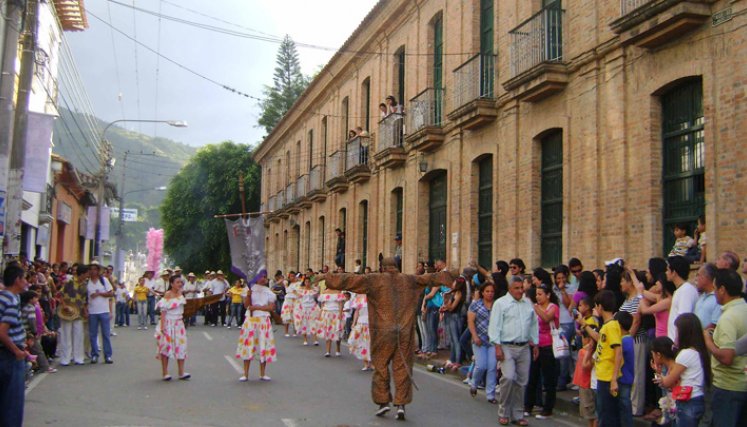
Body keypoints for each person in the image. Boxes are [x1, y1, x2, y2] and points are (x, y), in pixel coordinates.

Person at [324, 257, 456, 420]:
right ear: (397, 267)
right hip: (404, 331)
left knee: (381, 365)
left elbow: (348, 280)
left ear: (382, 267)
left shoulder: (374, 280)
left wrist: (327, 277)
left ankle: (383, 402)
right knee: (402, 366)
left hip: (382, 331)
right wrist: (452, 274)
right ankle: (401, 404)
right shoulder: (409, 280)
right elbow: (431, 278)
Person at [489, 276, 539, 426]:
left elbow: (533, 324)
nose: (520, 291)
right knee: (509, 377)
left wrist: (535, 343)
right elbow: (495, 326)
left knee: (522, 381)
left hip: (524, 347)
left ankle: (517, 414)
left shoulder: (527, 303)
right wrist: (497, 346)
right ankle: (504, 411)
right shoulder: (501, 304)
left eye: (521, 288)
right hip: (506, 345)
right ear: (510, 289)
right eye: (516, 288)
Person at [702, 269, 747, 427]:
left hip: (728, 387)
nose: (714, 293)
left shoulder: (728, 317)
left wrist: (708, 340)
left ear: (722, 290)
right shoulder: (744, 308)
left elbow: (727, 356)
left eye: (715, 288)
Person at [0, 264, 31, 427]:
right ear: (17, 280)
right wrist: (17, 351)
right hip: (10, 356)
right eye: (24, 278)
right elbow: (2, 332)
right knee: (12, 405)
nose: (26, 282)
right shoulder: (11, 300)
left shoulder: (4, 296)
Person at [525, 282, 560, 419]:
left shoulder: (553, 307)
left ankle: (548, 408)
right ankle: (528, 405)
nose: (538, 297)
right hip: (535, 345)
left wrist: (535, 307)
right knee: (532, 377)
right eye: (536, 295)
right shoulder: (535, 308)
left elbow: (546, 318)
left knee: (548, 378)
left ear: (548, 295)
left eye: (540, 294)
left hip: (548, 345)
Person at [235, 273, 277, 382]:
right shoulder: (249, 289)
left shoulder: (268, 291)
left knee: (263, 345)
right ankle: (245, 373)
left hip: (263, 320)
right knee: (249, 345)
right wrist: (248, 296)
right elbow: (247, 306)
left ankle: (262, 373)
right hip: (251, 320)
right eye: (261, 277)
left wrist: (258, 307)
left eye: (264, 277)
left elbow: (271, 307)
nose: (263, 279)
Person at [594, 290, 623, 427]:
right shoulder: (607, 326)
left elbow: (618, 350)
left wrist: (613, 378)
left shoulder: (611, 326)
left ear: (600, 307)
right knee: (603, 412)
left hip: (608, 377)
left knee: (607, 415)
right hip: (602, 375)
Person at [155, 275, 190, 381]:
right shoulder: (168, 294)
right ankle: (165, 373)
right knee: (166, 347)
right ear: (171, 284)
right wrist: (162, 327)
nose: (180, 284)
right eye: (177, 282)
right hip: (168, 323)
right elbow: (163, 311)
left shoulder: (181, 294)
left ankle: (181, 372)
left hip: (179, 323)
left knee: (181, 346)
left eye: (181, 282)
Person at [467, 282, 497, 403]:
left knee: (492, 367)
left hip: (493, 341)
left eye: (492, 291)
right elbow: (471, 321)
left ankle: (490, 395)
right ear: (482, 292)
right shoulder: (475, 306)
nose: (490, 294)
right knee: (481, 365)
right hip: (479, 340)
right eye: (487, 291)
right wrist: (475, 336)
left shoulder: (497, 305)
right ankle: (474, 383)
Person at [58, 265, 88, 365]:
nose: (88, 275)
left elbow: (84, 300)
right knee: (66, 335)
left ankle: (78, 357)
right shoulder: (69, 282)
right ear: (82, 274)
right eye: (86, 273)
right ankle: (65, 358)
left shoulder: (84, 285)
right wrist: (64, 305)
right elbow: (60, 294)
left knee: (78, 335)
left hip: (78, 312)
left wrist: (85, 311)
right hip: (66, 312)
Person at [573, 307, 598, 427]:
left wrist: (589, 351)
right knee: (589, 415)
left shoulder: (591, 352)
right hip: (583, 384)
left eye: (584, 337)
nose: (583, 340)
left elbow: (585, 366)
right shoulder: (583, 350)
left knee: (593, 414)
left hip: (588, 385)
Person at [87, 262, 114, 364]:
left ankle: (108, 355)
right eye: (91, 269)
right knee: (93, 334)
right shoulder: (87, 282)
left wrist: (99, 294)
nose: (93, 271)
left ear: (98, 271)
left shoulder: (104, 281)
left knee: (105, 334)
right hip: (92, 311)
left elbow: (111, 293)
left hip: (103, 310)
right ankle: (94, 354)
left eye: (95, 269)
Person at [667, 256, 698, 342]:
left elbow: (683, 320)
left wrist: (677, 343)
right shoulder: (680, 290)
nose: (666, 273)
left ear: (674, 272)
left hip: (679, 343)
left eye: (668, 270)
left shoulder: (686, 291)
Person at [614, 311, 634, 427]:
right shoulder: (629, 338)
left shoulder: (624, 341)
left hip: (623, 378)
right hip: (628, 377)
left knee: (624, 406)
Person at [442, 275, 466, 369]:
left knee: (456, 340)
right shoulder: (454, 293)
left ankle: (458, 360)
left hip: (456, 316)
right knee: (452, 339)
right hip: (452, 316)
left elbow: (452, 307)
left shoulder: (459, 293)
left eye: (454, 282)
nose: (453, 284)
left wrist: (447, 306)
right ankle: (452, 359)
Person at [316, 288, 346, 357]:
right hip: (327, 313)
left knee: (337, 331)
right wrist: (320, 314)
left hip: (336, 313)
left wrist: (340, 314)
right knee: (327, 331)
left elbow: (341, 304)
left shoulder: (338, 292)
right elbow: (322, 305)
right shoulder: (324, 292)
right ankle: (327, 351)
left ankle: (338, 349)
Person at [348, 293, 372, 371]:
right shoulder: (358, 297)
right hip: (361, 322)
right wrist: (354, 323)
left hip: (371, 322)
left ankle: (372, 363)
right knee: (362, 342)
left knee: (370, 343)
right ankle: (365, 363)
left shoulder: (373, 295)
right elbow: (356, 312)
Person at [693, 263, 720, 330]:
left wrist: (700, 336)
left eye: (698, 275)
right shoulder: (701, 297)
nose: (696, 279)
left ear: (706, 278)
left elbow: (714, 324)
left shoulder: (718, 299)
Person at [294, 276, 319, 346]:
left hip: (312, 307)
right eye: (306, 282)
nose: (307, 283)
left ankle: (315, 339)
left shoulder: (314, 290)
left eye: (308, 282)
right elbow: (298, 297)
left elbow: (317, 297)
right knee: (304, 323)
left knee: (314, 322)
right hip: (304, 307)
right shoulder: (301, 290)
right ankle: (305, 339)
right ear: (304, 282)